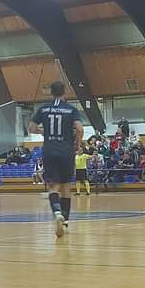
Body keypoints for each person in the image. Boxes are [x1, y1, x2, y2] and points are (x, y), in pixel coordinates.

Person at [29, 81, 84, 238]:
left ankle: (57, 213)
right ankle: (65, 220)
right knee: (66, 185)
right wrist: (77, 144)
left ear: (51, 92)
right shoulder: (71, 109)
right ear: (64, 92)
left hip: (49, 150)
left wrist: (43, 132)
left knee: (53, 186)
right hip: (66, 151)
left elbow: (31, 128)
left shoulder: (44, 108)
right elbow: (79, 128)